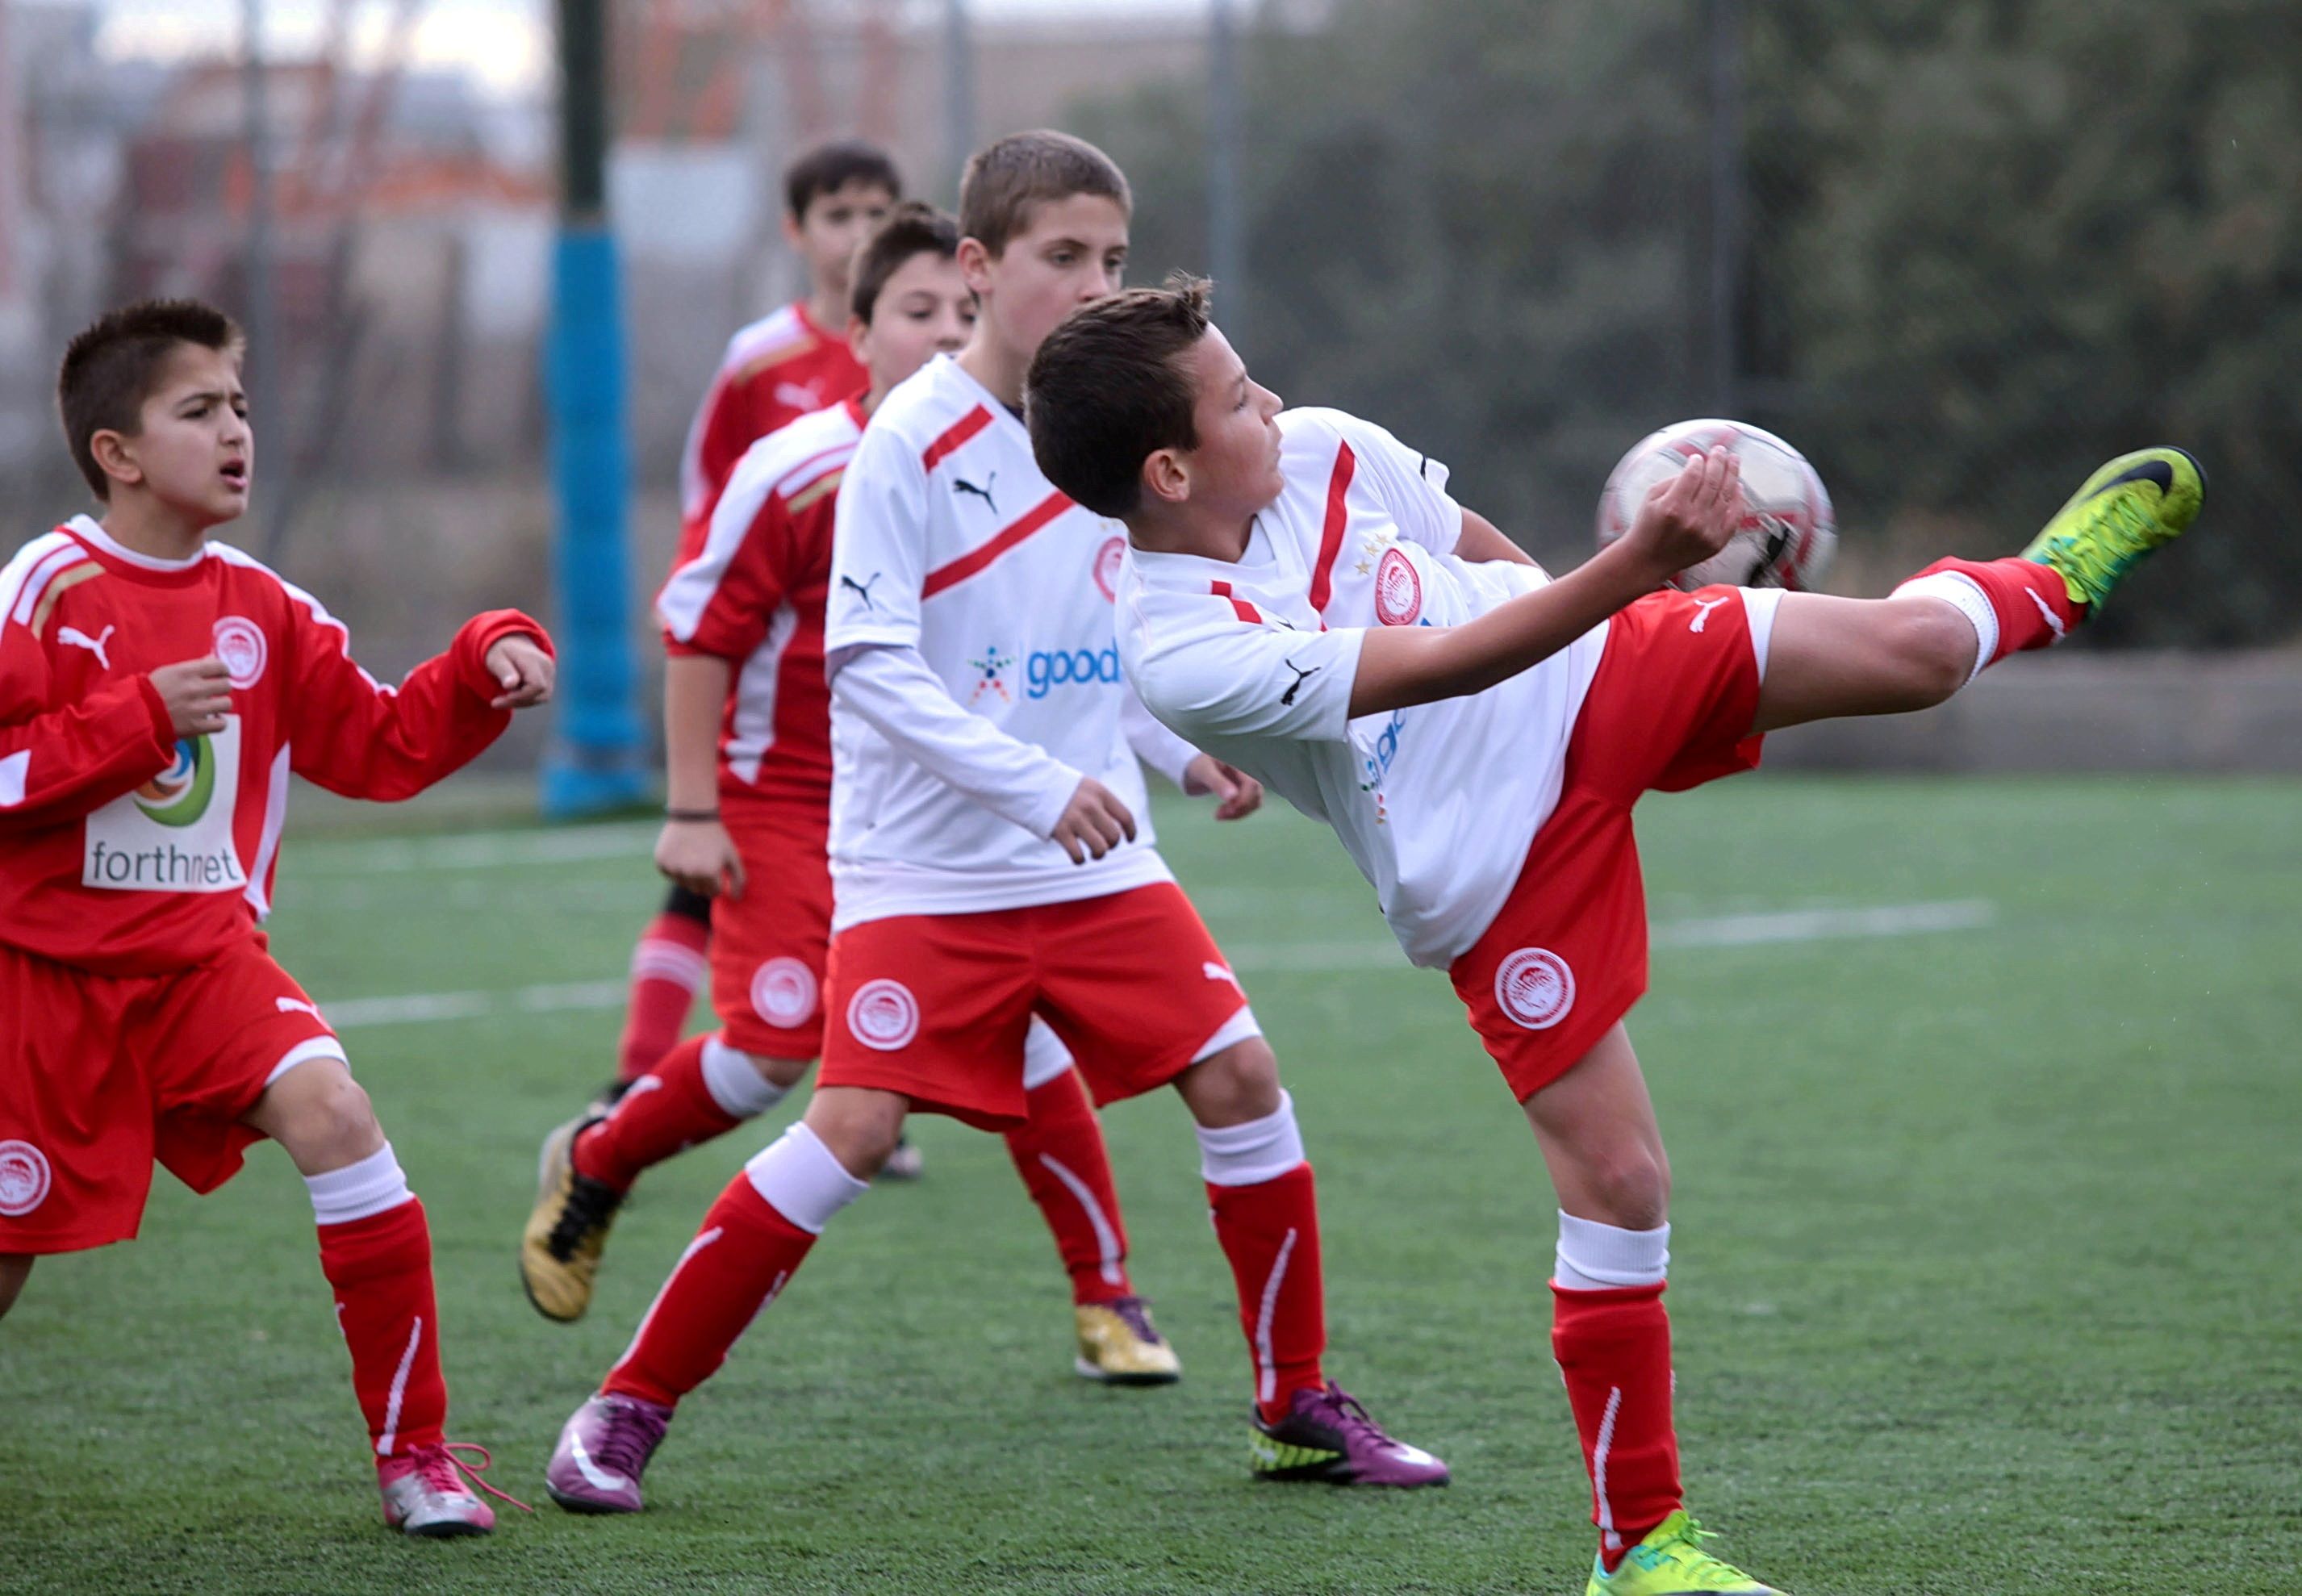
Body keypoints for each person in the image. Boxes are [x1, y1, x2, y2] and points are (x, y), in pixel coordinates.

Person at [1022, 276, 2204, 1596]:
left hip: (1601, 666)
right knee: (1623, 1184)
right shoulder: (1176, 646)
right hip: (1486, 864)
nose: (1275, 402)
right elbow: (1436, 667)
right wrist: (1636, 563)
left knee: (1921, 651)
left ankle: (2048, 575)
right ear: (1169, 467)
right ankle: (1637, 1547)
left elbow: (1474, 550)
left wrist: (1618, 596)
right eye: (1241, 397)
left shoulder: (1328, 447)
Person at [541, 132, 1446, 1516]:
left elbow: (1110, 638)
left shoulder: (1099, 430)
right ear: (975, 268)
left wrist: (1179, 751)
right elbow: (870, 661)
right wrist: (1036, 786)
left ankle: (1293, 1403)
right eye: (1062, 258)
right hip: (922, 872)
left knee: (1242, 1082)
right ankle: (623, 1408)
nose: (1093, 284)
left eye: (1113, 260)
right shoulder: (906, 436)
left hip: (1094, 868)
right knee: (841, 1130)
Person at [521, 203, 1185, 1388]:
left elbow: (1083, 644)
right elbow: (699, 629)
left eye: (955, 310)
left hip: (962, 801)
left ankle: (1106, 1293)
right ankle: (602, 1154)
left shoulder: (1045, 450)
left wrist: (1181, 751)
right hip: (789, 797)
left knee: (1030, 1032)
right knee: (777, 1046)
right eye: (913, 312)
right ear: (857, 330)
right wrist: (690, 807)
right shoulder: (801, 468)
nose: (940, 333)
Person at [0, 300, 560, 1536]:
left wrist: (483, 657)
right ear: (118, 452)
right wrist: (135, 717)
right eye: (199, 410)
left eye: (241, 404)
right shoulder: (42, 590)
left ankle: (418, 1456)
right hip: (38, 978)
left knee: (338, 1113)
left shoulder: (261, 603)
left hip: (202, 958)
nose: (237, 430)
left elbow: (380, 742)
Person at [612, 139, 908, 1116]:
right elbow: (713, 496)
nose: (859, 234)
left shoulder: (934, 355)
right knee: (722, 868)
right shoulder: (761, 361)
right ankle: (634, 1074)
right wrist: (713, 622)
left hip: (873, 667)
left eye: (878, 213)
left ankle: (866, 1090)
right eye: (839, 215)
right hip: (769, 657)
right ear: (798, 231)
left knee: (868, 877)